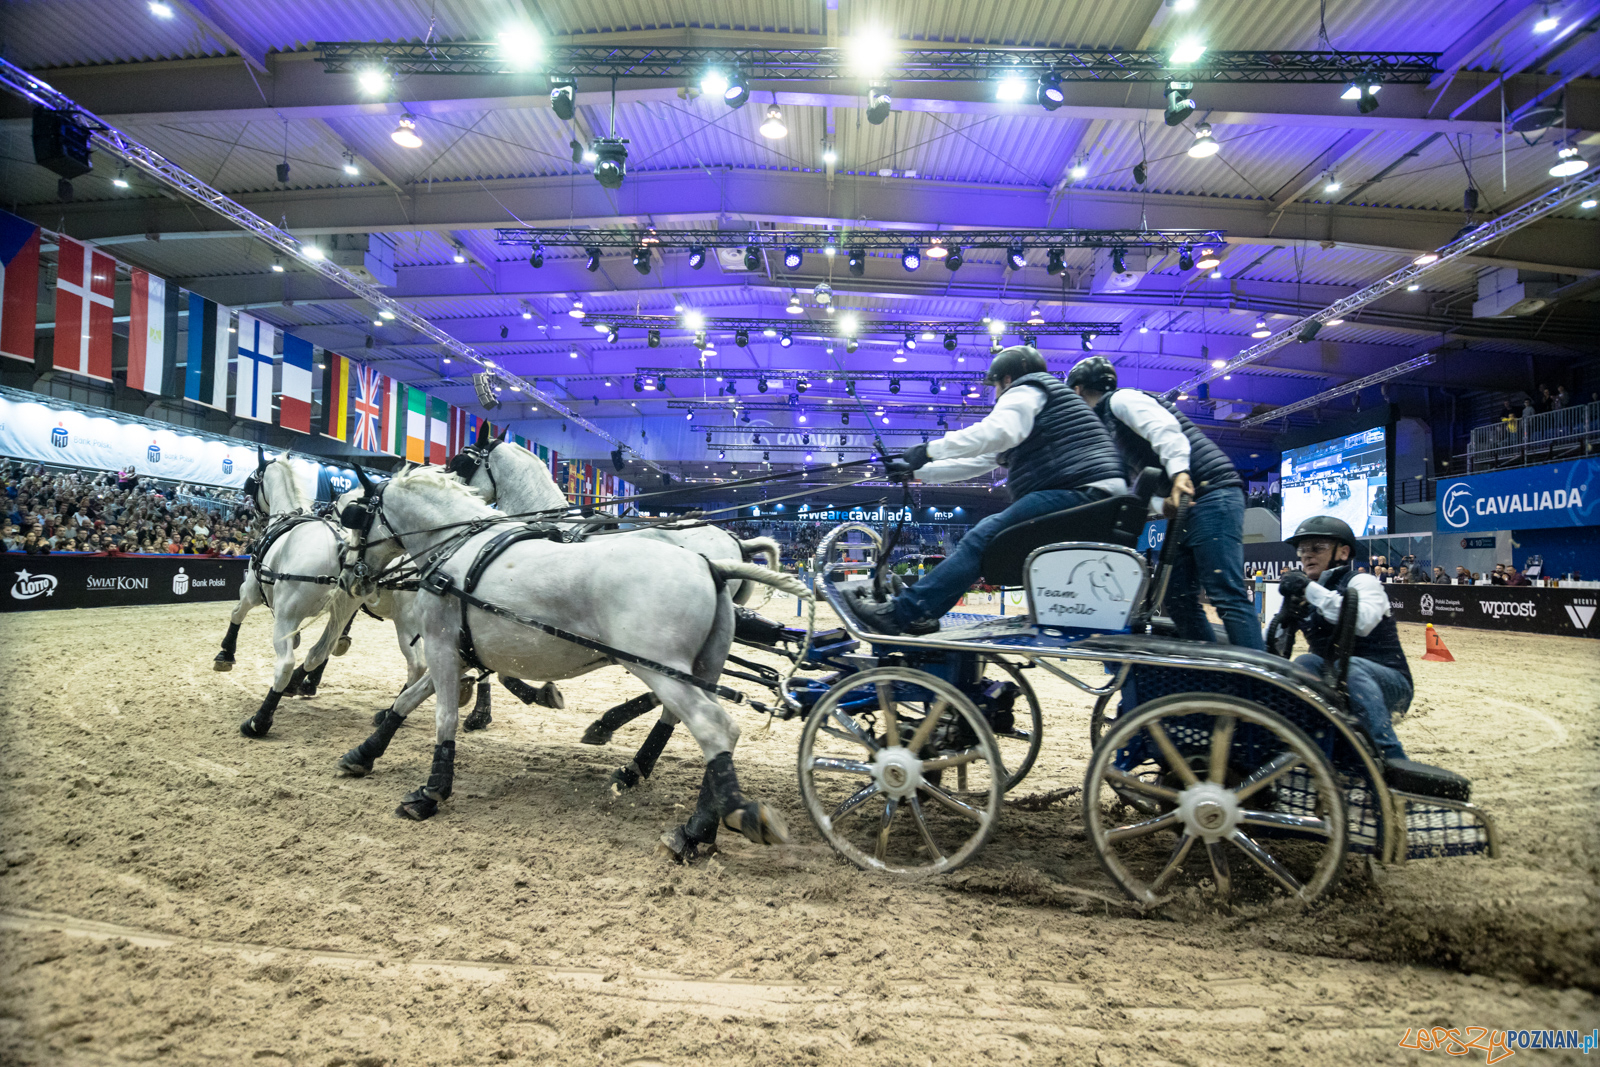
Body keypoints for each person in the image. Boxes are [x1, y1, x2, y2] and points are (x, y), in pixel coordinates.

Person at [843, 345, 1128, 635]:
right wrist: (915, 471)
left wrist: (929, 449)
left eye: (994, 386)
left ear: (1006, 380)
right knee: (984, 536)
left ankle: (903, 613)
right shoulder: (1045, 405)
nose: (994, 395)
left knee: (983, 537)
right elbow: (977, 463)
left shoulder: (1027, 389)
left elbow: (995, 432)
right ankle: (917, 612)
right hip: (1098, 495)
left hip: (1083, 491)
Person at [1067, 355, 1265, 650]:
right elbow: (1134, 488)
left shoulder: (1121, 400)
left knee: (1225, 591)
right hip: (1190, 504)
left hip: (1213, 491)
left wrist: (1179, 473)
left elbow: (1164, 428)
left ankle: (1259, 688)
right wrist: (1162, 506)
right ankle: (1213, 677)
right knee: (1177, 597)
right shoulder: (1109, 427)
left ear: (1079, 390)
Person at [1276, 516, 1411, 760]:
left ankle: (1391, 757)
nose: (1306, 555)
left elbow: (1361, 621)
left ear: (1343, 552)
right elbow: (1273, 649)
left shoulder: (1362, 582)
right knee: (1303, 665)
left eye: (1317, 548)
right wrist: (1283, 619)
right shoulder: (1307, 593)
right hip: (1337, 680)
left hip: (1391, 683)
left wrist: (1309, 589)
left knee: (1350, 668)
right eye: (1302, 549)